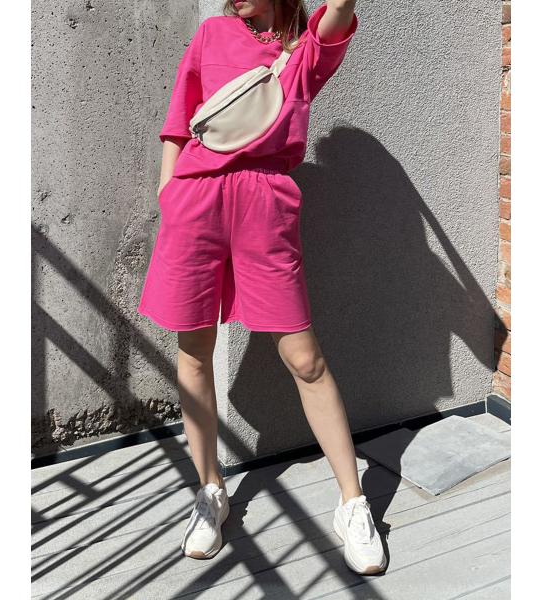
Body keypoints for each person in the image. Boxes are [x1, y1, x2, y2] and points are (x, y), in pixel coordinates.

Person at [137, 0, 387, 575]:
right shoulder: (212, 34)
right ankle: (210, 490)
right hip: (195, 200)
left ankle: (352, 503)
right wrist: (168, 193)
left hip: (265, 204)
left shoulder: (304, 50)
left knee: (305, 359)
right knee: (194, 351)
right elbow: (179, 121)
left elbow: (341, 8)